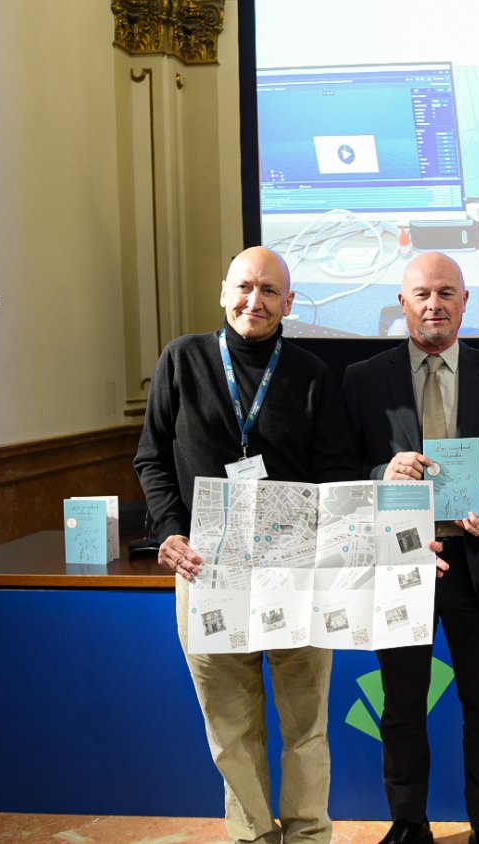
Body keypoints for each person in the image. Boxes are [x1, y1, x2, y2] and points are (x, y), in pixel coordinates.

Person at [134, 246, 359, 844]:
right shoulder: (182, 359)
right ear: (223, 291)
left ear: (288, 303)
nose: (253, 301)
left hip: (296, 573)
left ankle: (310, 834)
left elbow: (334, 468)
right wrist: (169, 531)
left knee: (306, 724)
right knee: (230, 727)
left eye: (268, 291)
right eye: (244, 287)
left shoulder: (311, 374)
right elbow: (152, 456)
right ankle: (254, 836)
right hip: (206, 569)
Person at [340, 251, 479, 844]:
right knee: (400, 709)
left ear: (466, 301)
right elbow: (340, 470)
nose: (434, 304)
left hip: (477, 564)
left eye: (447, 293)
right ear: (402, 303)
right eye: (422, 293)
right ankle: (408, 824)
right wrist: (381, 474)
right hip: (401, 563)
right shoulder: (362, 379)